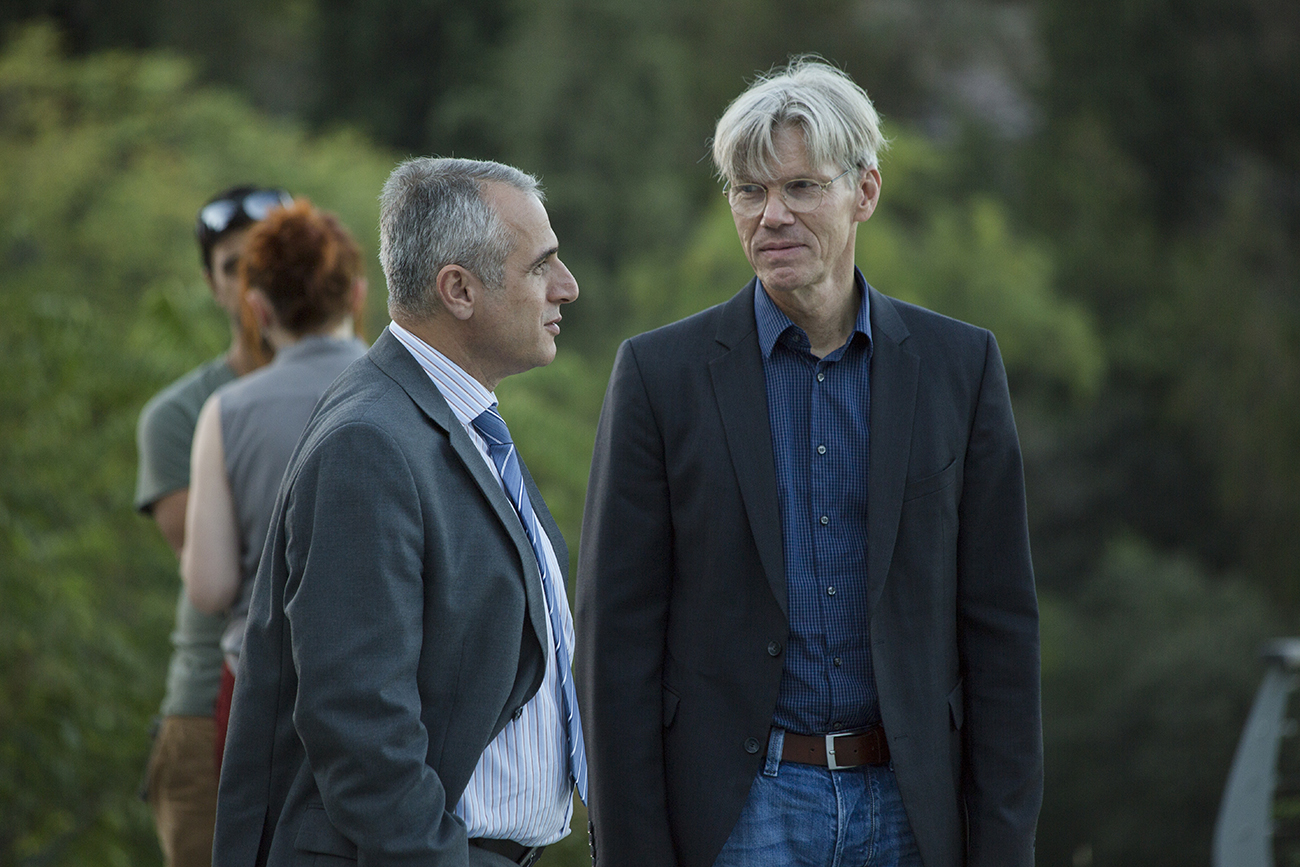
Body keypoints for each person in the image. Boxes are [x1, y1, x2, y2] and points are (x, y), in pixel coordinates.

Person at [576, 57, 1042, 867]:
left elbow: (1001, 628)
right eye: (748, 191)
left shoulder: (960, 368)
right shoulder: (660, 376)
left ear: (865, 191)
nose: (771, 215)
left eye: (800, 187)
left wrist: (1002, 843)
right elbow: (615, 644)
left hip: (911, 811)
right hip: (736, 814)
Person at [213, 156, 584, 867]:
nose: (567, 286)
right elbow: (357, 720)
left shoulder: (443, 419)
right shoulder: (369, 441)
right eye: (542, 266)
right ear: (459, 290)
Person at [180, 198, 369, 774]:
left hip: (261, 698)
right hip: (388, 691)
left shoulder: (227, 412)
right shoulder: (419, 394)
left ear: (258, 308)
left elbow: (210, 587)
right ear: (357, 295)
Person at [135, 184, 292, 867]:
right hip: (211, 708)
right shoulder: (180, 415)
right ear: (212, 284)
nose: (255, 278)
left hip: (346, 703)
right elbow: (216, 578)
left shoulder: (362, 385)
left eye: (272, 257)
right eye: (234, 265)